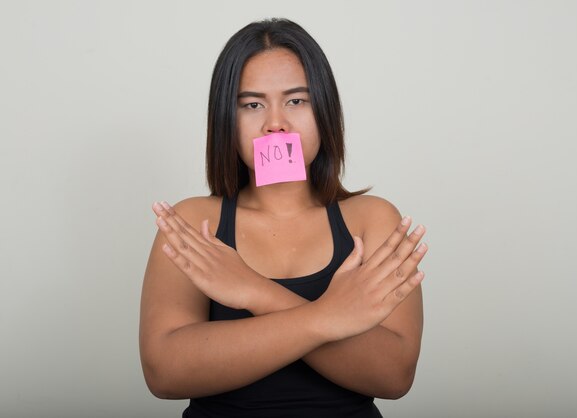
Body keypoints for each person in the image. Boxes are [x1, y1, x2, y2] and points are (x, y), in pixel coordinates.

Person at [139, 18, 428, 418]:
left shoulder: (371, 220)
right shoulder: (193, 222)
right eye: (252, 104)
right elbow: (164, 373)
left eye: (296, 100)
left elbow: (394, 376)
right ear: (227, 117)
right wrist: (330, 317)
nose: (275, 124)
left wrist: (255, 292)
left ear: (324, 110)